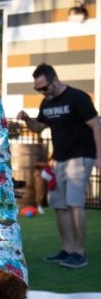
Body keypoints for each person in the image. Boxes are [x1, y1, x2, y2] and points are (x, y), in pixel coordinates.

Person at [17, 63, 101, 268]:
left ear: (54, 80)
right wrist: (27, 119)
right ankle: (68, 250)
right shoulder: (46, 104)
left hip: (81, 158)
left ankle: (80, 254)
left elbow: (96, 125)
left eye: (44, 87)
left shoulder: (77, 98)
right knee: (59, 206)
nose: (41, 92)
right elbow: (38, 128)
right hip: (59, 159)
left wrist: (100, 157)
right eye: (37, 89)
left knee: (74, 204)